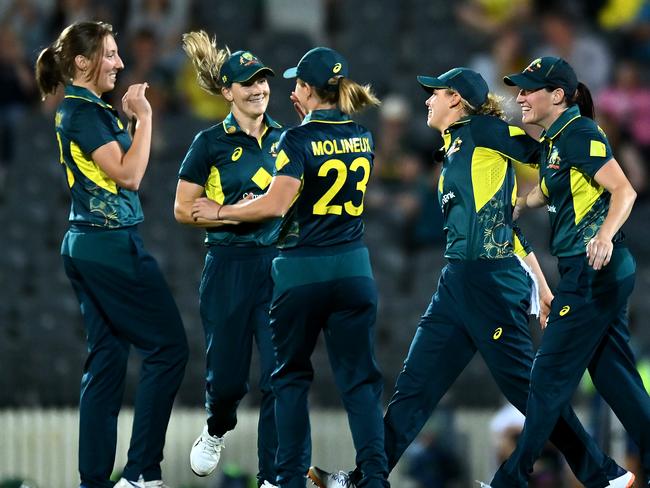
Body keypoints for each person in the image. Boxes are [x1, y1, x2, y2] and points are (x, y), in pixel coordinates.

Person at [307, 68, 634, 488]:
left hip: (490, 282)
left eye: (435, 94)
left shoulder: (483, 130)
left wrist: (582, 170)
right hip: (457, 281)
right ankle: (366, 479)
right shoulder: (455, 147)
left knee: (527, 390)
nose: (427, 100)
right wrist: (543, 284)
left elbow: (549, 152)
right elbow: (504, 224)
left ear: (457, 100)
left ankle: (605, 475)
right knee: (414, 387)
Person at [191, 46, 388, 488]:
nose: (290, 91)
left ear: (309, 90)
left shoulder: (294, 139)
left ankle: (286, 480)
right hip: (356, 269)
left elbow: (278, 204)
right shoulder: (363, 135)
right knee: (361, 384)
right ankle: (375, 477)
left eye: (297, 84)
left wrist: (224, 212)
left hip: (302, 270)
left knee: (291, 378)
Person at [35, 20, 188, 488]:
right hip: (110, 245)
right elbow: (129, 175)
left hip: (87, 243)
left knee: (105, 363)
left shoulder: (84, 109)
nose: (119, 63)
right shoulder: (84, 113)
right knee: (169, 348)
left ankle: (94, 482)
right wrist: (144, 118)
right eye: (110, 54)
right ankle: (141, 473)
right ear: (82, 62)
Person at [488, 56, 650, 488]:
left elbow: (624, 190)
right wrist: (523, 202)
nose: (519, 95)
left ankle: (511, 480)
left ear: (556, 95)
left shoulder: (580, 133)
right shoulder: (558, 138)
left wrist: (605, 236)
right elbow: (552, 183)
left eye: (528, 88)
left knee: (545, 378)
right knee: (616, 379)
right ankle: (616, 479)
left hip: (594, 268)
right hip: (592, 271)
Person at [173, 30, 283, 488]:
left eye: (263, 80)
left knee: (283, 373)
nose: (259, 89)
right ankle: (217, 426)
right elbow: (182, 208)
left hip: (278, 266)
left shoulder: (286, 140)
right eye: (248, 83)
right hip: (229, 267)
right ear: (227, 92)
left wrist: (231, 210)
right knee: (229, 380)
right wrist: (232, 216)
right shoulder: (209, 144)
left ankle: (274, 476)